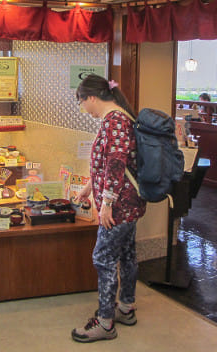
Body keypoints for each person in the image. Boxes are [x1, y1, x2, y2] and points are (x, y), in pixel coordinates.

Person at [71, 74, 146, 343]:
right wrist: (90, 186)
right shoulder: (119, 119)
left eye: (82, 102)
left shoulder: (115, 122)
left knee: (103, 259)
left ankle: (105, 322)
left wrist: (107, 204)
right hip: (128, 205)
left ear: (92, 97)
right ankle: (125, 307)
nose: (83, 108)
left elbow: (115, 163)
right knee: (126, 254)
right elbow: (110, 162)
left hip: (118, 207)